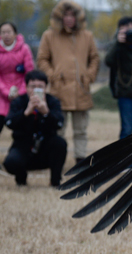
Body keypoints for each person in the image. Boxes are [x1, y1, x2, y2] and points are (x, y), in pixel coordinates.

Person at [37, 0, 100, 163]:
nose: (69, 18)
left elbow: (94, 58)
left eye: (72, 15)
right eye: (65, 15)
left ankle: (80, 159)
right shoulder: (49, 35)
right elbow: (42, 59)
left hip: (81, 90)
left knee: (81, 130)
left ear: (78, 17)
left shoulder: (87, 36)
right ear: (59, 17)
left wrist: (89, 76)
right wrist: (53, 75)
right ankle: (56, 160)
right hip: (59, 91)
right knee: (58, 129)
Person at [2, 70, 67, 187]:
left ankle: (55, 181)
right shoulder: (19, 102)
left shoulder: (53, 101)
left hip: (46, 148)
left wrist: (47, 113)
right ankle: (21, 180)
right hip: (23, 147)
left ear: (46, 87)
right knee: (11, 162)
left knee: (60, 143)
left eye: (40, 87)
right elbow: (9, 123)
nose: (36, 90)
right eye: (33, 87)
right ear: (26, 87)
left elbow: (59, 124)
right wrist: (26, 112)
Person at [0, 22, 35, 135]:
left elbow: (30, 73)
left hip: (22, 93)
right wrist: (6, 92)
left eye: (9, 32)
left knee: (22, 127)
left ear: (15, 34)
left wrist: (21, 92)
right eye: (3, 32)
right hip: (1, 95)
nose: (6, 35)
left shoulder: (24, 49)